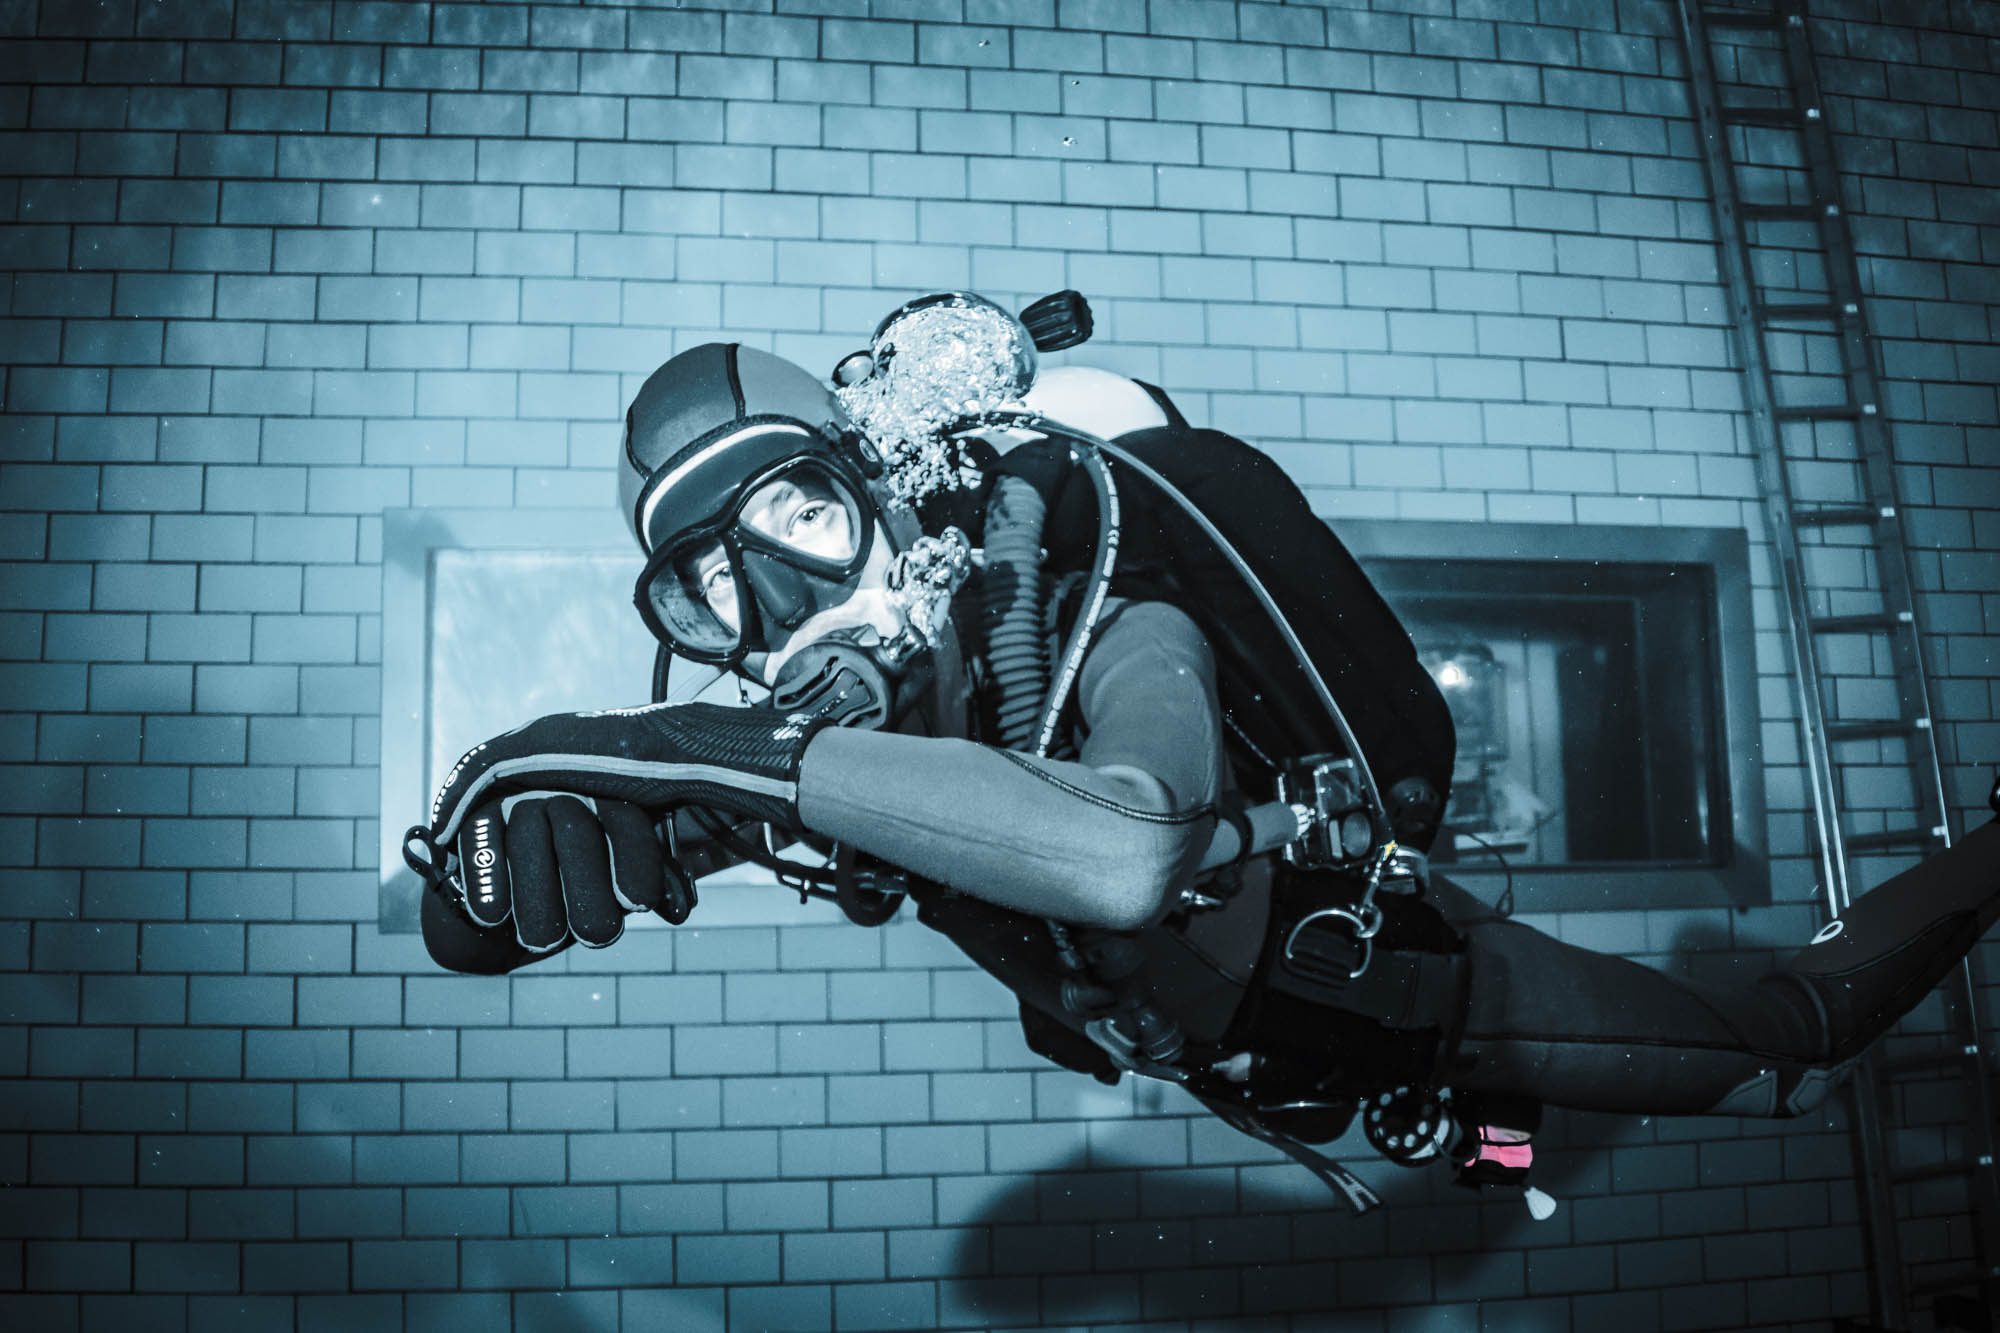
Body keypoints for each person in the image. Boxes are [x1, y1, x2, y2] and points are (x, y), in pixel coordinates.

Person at [406, 293, 1999, 1207]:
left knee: (1781, 1054)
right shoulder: (818, 754)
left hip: (1424, 989)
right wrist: (498, 834)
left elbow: (1125, 844)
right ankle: (1496, 1151)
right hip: (1288, 1083)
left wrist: (708, 752)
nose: (772, 598)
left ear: (881, 491)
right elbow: (476, 926)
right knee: (1496, 1161)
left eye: (798, 520)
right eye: (711, 584)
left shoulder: (1104, 615)